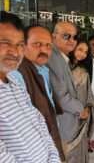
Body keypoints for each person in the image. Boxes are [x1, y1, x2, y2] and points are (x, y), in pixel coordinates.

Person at [0, 12, 61, 163]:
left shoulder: (14, 83)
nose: (15, 52)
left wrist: (54, 159)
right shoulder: (20, 75)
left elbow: (40, 123)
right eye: (5, 43)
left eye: (19, 45)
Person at [15, 25, 65, 161]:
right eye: (37, 44)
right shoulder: (17, 74)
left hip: (48, 141)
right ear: (23, 46)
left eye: (48, 45)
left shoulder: (43, 70)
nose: (44, 50)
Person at [47, 21, 89, 161]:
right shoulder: (53, 58)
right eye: (66, 36)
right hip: (63, 123)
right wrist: (81, 109)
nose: (72, 40)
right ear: (54, 36)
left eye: (74, 37)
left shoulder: (61, 58)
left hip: (67, 121)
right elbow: (60, 97)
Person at [66, 40, 94, 163]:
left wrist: (88, 108)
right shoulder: (62, 68)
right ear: (72, 48)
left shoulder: (83, 72)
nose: (83, 54)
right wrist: (77, 110)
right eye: (80, 49)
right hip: (66, 118)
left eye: (85, 52)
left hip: (82, 119)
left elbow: (89, 95)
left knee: (79, 151)